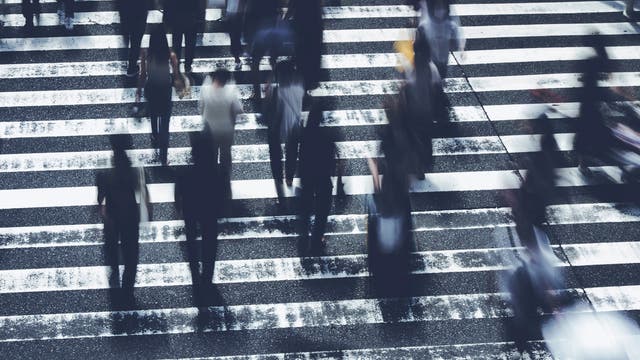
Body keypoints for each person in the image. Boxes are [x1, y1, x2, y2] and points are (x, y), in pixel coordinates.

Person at [97, 134, 150, 307]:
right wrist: (148, 212)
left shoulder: (105, 170)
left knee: (112, 252)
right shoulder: (134, 168)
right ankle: (128, 292)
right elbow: (142, 192)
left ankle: (115, 288)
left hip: (112, 217)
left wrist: (102, 211)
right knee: (131, 255)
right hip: (130, 215)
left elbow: (100, 198)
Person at [174, 131, 221, 298]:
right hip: (209, 211)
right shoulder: (215, 172)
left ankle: (195, 274)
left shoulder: (185, 173)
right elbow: (221, 193)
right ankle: (207, 277)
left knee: (191, 242)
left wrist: (179, 208)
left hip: (190, 210)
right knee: (210, 242)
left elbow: (177, 194)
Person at [136, 26, 182, 166]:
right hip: (165, 90)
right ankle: (163, 157)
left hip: (151, 89)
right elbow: (175, 76)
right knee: (165, 124)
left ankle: (154, 135)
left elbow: (143, 75)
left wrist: (138, 91)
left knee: (153, 113)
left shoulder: (146, 54)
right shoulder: (170, 56)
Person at [298, 101, 338, 254]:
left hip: (307, 176)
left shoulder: (305, 133)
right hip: (323, 177)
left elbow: (299, 154)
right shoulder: (328, 136)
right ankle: (317, 240)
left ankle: (304, 238)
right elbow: (332, 160)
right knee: (322, 211)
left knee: (306, 208)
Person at [199, 69, 243, 200]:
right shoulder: (230, 92)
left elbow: (201, 108)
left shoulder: (206, 90)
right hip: (226, 130)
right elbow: (238, 110)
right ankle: (225, 184)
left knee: (211, 157)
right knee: (225, 158)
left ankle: (211, 184)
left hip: (210, 131)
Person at [417, 0, 464, 79]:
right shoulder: (427, 25)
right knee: (431, 76)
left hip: (443, 57)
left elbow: (457, 32)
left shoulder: (449, 24)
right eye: (437, 9)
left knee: (441, 74)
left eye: (443, 9)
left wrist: (461, 47)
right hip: (430, 57)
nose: (440, 12)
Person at [276, 61, 304, 187]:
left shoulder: (280, 91)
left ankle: (282, 176)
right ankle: (289, 178)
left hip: (283, 124)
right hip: (295, 123)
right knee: (292, 151)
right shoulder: (299, 88)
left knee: (283, 151)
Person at [286, 0, 323, 90]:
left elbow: (293, 4)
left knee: (301, 55)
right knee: (311, 54)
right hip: (314, 22)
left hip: (301, 23)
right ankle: (309, 83)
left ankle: (303, 87)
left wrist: (285, 18)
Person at [164, 0, 200, 74]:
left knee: (177, 42)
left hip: (177, 15)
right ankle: (188, 65)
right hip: (190, 14)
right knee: (190, 43)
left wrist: (166, 15)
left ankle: (176, 65)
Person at [116, 0, 148, 77]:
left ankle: (131, 64)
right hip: (140, 11)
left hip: (126, 11)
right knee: (136, 40)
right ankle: (132, 66)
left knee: (130, 37)